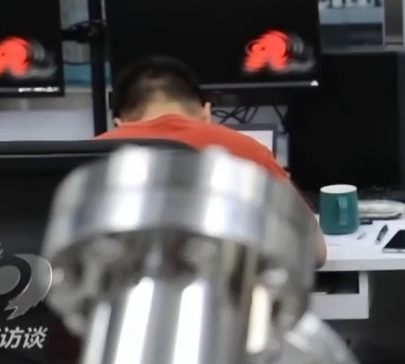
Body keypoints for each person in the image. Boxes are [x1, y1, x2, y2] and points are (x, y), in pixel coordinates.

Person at [97, 55, 327, 266]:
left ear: (119, 124)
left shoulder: (92, 156)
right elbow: (314, 252)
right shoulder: (247, 150)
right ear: (207, 112)